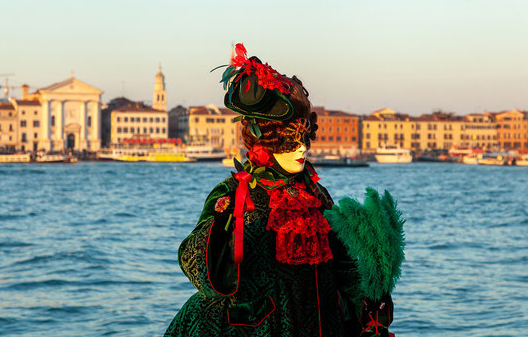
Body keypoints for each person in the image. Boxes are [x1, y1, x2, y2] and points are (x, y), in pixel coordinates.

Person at [164, 44, 402, 336]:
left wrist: (368, 301)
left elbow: (342, 265)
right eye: (291, 141)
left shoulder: (315, 195)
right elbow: (196, 260)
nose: (302, 148)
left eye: (306, 138)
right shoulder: (236, 194)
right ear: (264, 139)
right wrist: (227, 242)